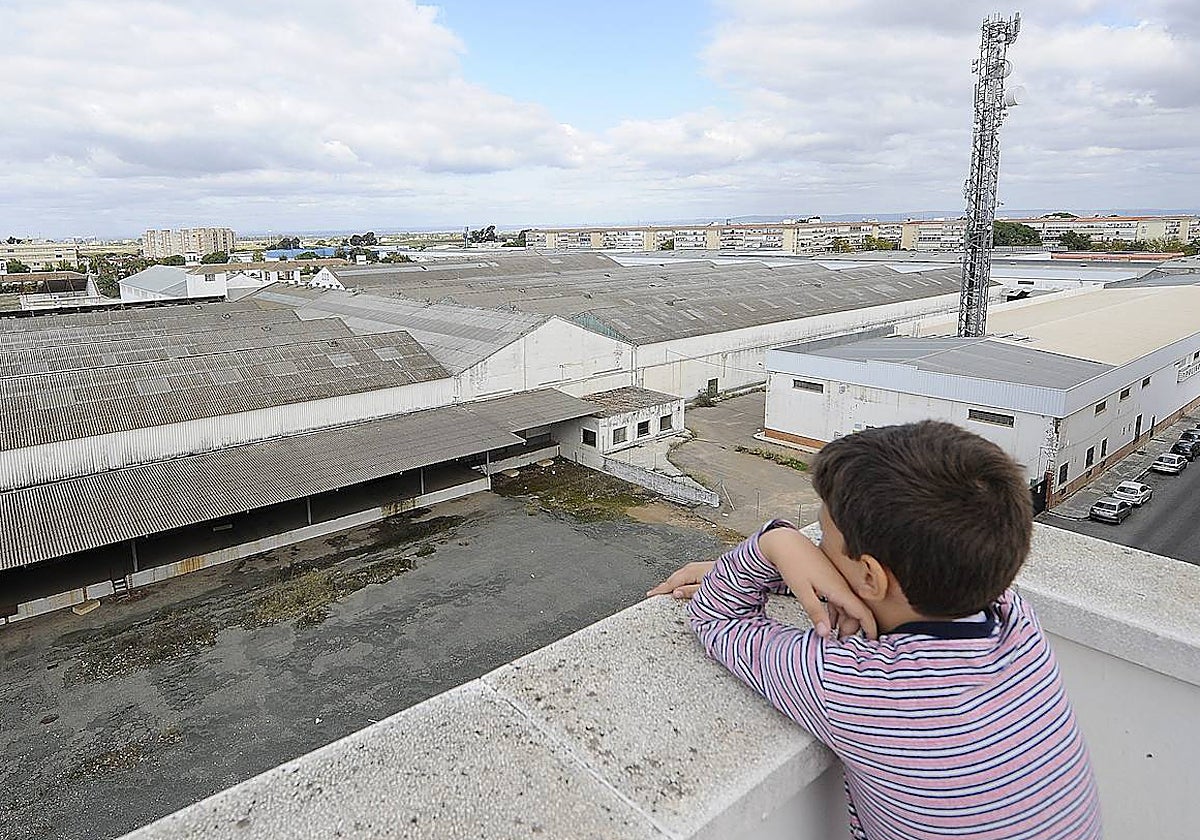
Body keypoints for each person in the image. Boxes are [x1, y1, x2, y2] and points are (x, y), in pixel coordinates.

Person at [647, 421, 1100, 839]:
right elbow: (878, 592)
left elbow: (717, 618)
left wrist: (774, 545)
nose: (814, 551)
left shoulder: (858, 685)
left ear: (871, 576)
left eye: (822, 540)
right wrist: (803, 576)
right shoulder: (1015, 622)